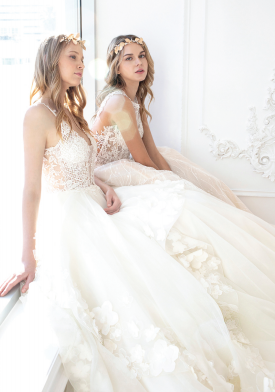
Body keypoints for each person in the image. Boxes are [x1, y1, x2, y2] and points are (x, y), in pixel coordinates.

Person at [0, 34, 274, 392]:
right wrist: (26, 256)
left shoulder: (70, 112)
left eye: (83, 58)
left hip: (95, 204)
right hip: (70, 219)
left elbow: (85, 166)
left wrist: (104, 187)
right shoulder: (36, 115)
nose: (82, 65)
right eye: (73, 58)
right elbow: (33, 188)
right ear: (52, 61)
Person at [93, 35, 249, 212]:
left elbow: (151, 151)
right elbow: (142, 159)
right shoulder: (119, 102)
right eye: (129, 58)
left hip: (123, 165)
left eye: (142, 55)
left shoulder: (135, 101)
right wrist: (169, 183)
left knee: (177, 167)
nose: (139, 62)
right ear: (117, 68)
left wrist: (174, 179)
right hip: (103, 171)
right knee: (180, 194)